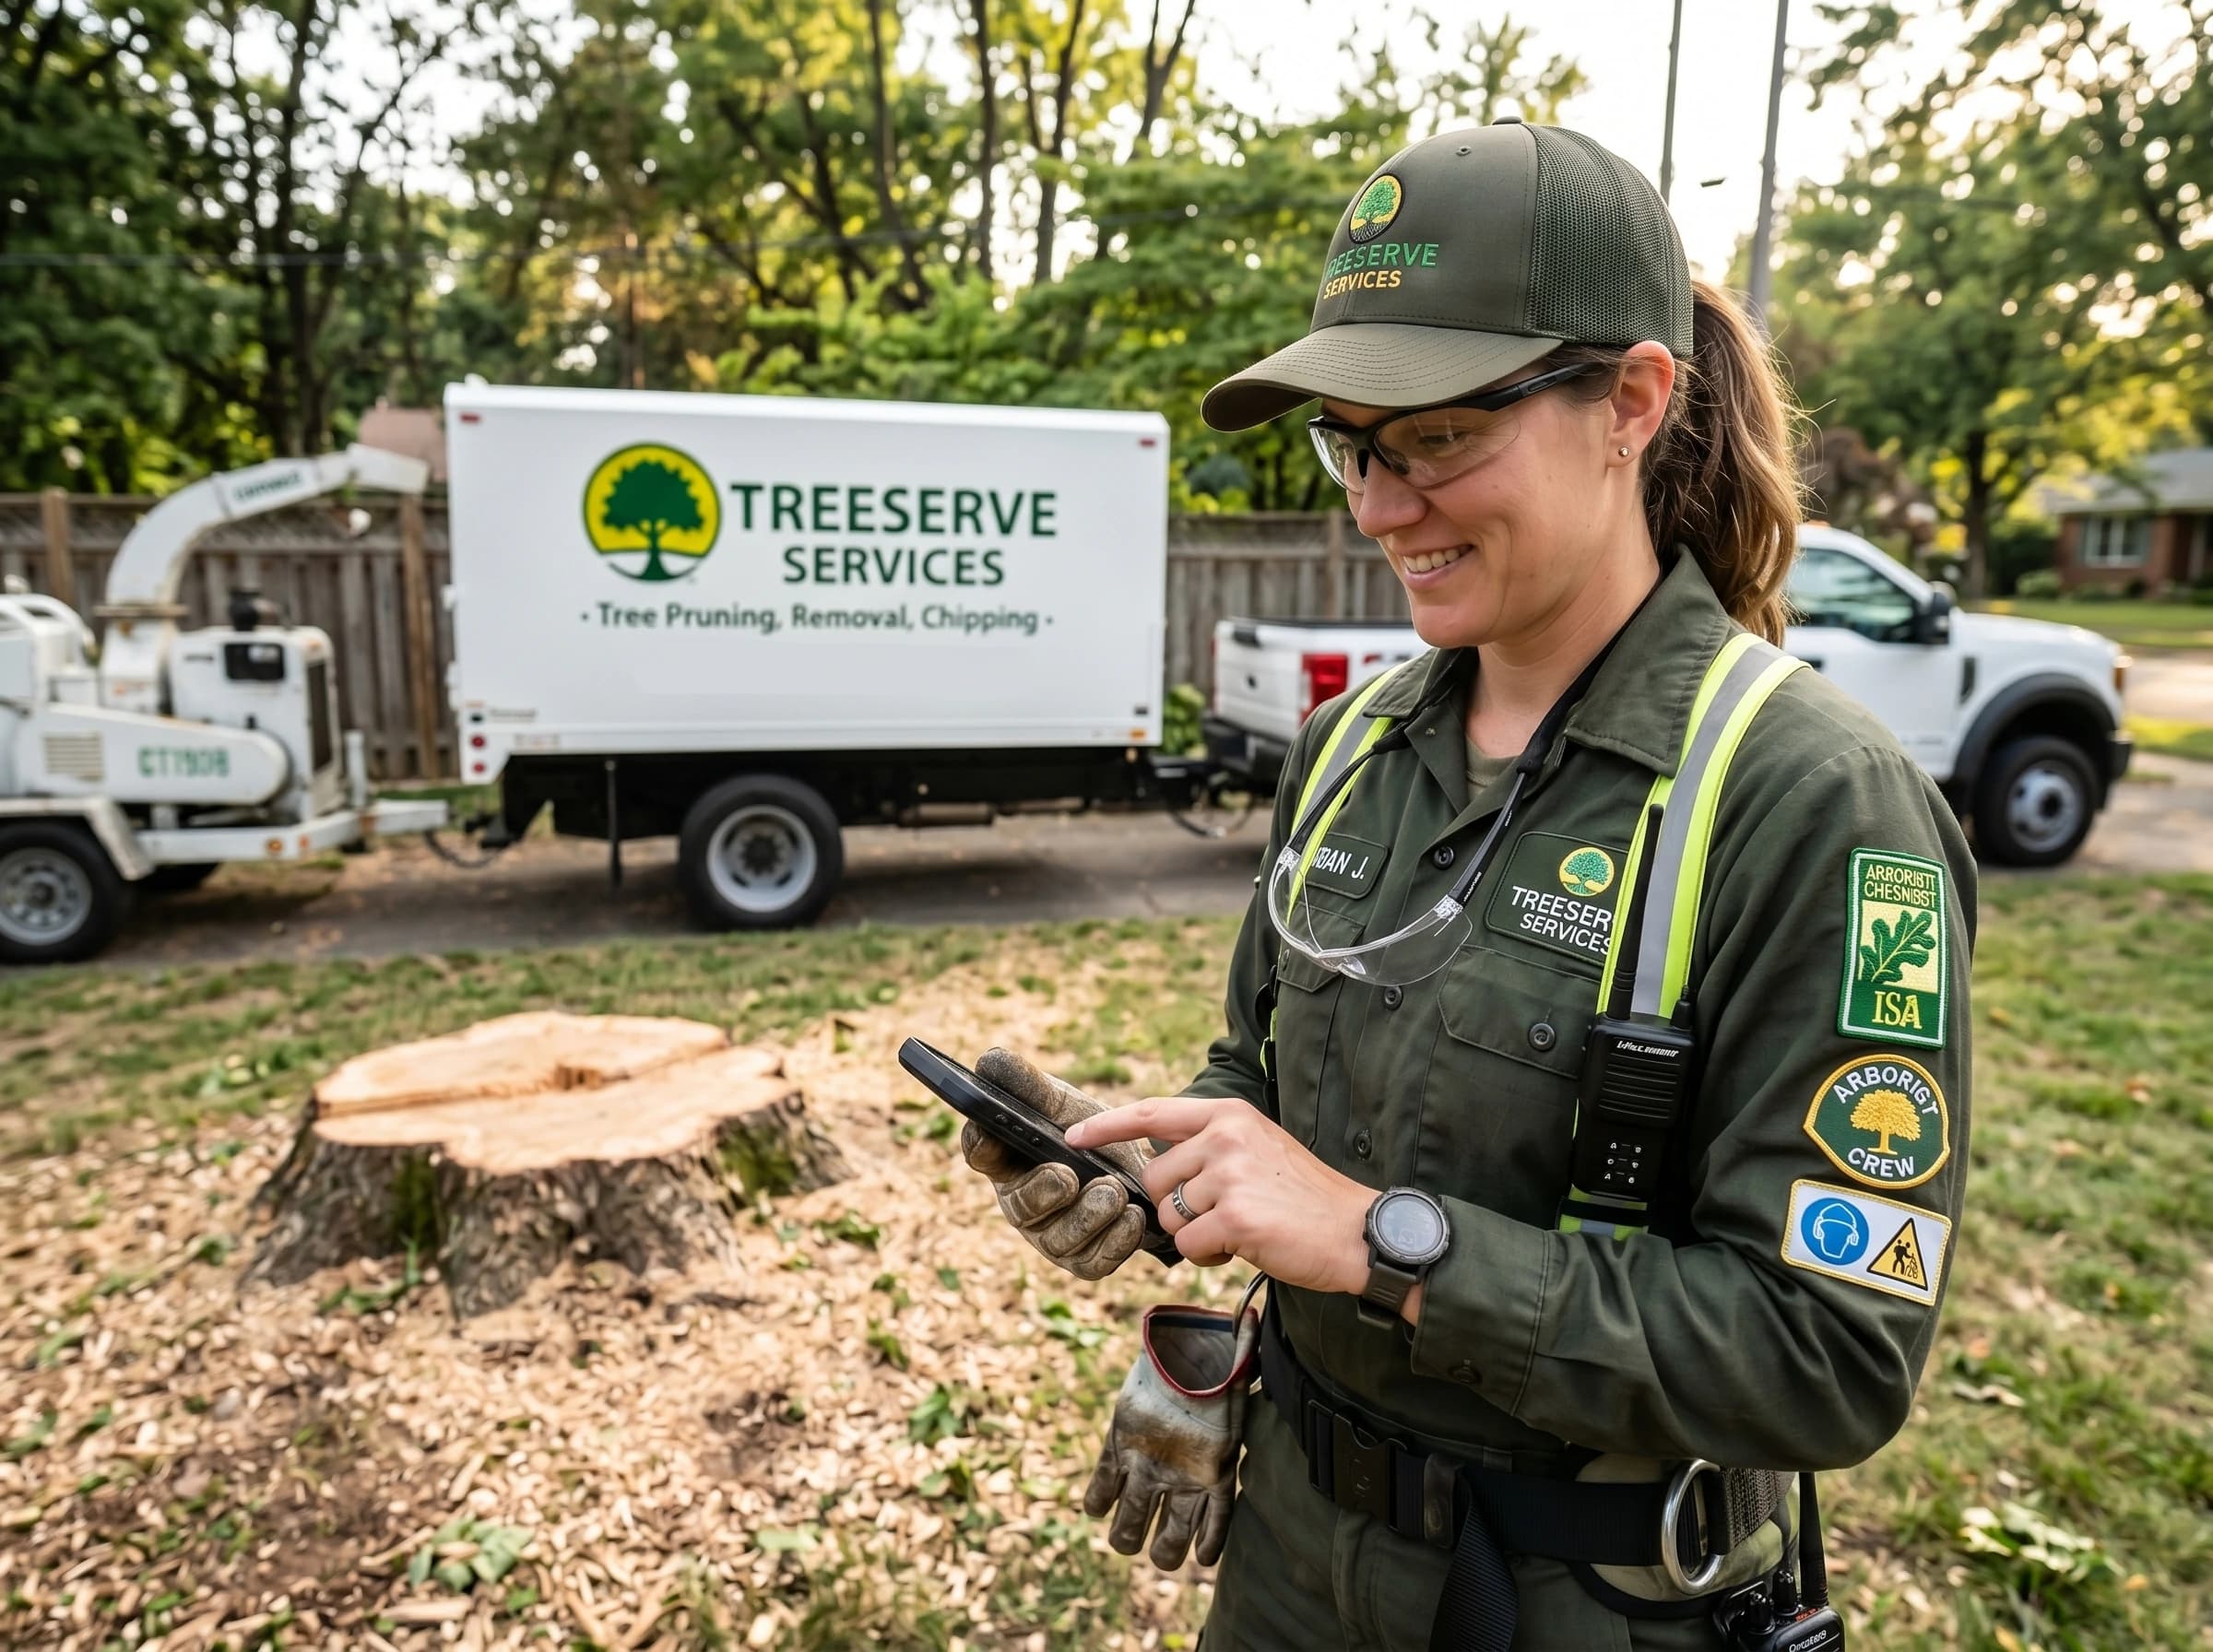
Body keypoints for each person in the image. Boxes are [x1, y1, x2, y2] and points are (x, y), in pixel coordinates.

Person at [961, 120, 1970, 1652]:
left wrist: (1380, 1240)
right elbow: (1266, 1069)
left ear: (1632, 401)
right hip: (1289, 1554)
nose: (1378, 507)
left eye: (1435, 438)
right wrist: (1167, 1177)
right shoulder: (1350, 748)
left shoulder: (1816, 803)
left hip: (1580, 1598)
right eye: (1352, 446)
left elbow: (1827, 1353)